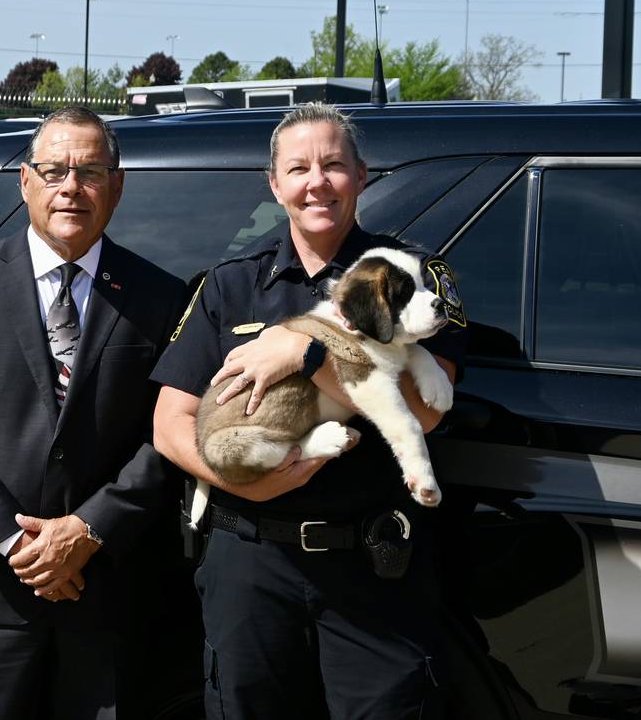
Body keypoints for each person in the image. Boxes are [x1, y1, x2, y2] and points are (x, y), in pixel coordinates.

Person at [152, 102, 467, 720]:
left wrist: (308, 353)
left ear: (362, 175)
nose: (316, 182)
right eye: (298, 168)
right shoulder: (229, 284)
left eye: (334, 165)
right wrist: (245, 479)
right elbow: (168, 423)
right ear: (275, 185)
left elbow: (424, 415)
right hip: (249, 562)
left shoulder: (412, 276)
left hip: (372, 567)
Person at [0, 107, 187, 720]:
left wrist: (86, 530)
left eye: (90, 172)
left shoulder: (160, 297)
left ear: (116, 186)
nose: (71, 187)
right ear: (25, 181)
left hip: (105, 585)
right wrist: (16, 541)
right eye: (54, 169)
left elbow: (167, 435)